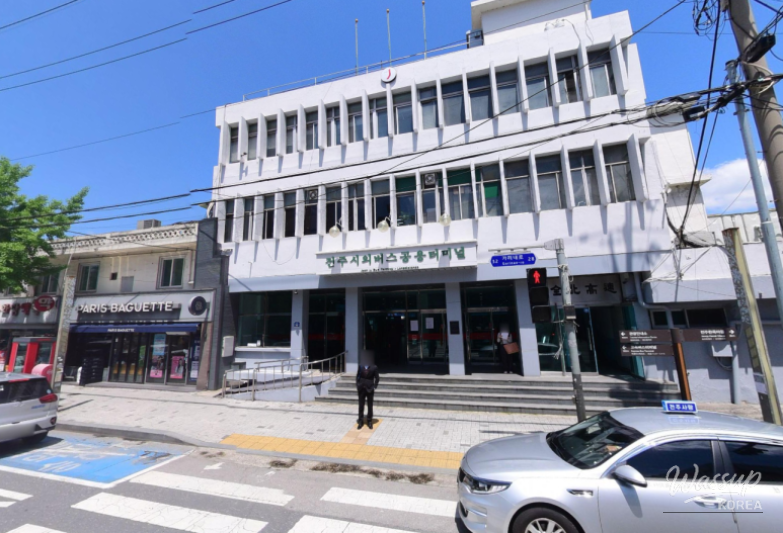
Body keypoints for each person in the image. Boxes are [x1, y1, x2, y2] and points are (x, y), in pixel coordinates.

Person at [356, 362, 380, 429]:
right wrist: (358, 385)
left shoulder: (374, 367)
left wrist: (374, 386)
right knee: (361, 405)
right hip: (361, 388)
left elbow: (377, 378)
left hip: (370, 389)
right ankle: (360, 421)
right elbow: (358, 376)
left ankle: (369, 421)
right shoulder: (361, 366)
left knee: (370, 406)